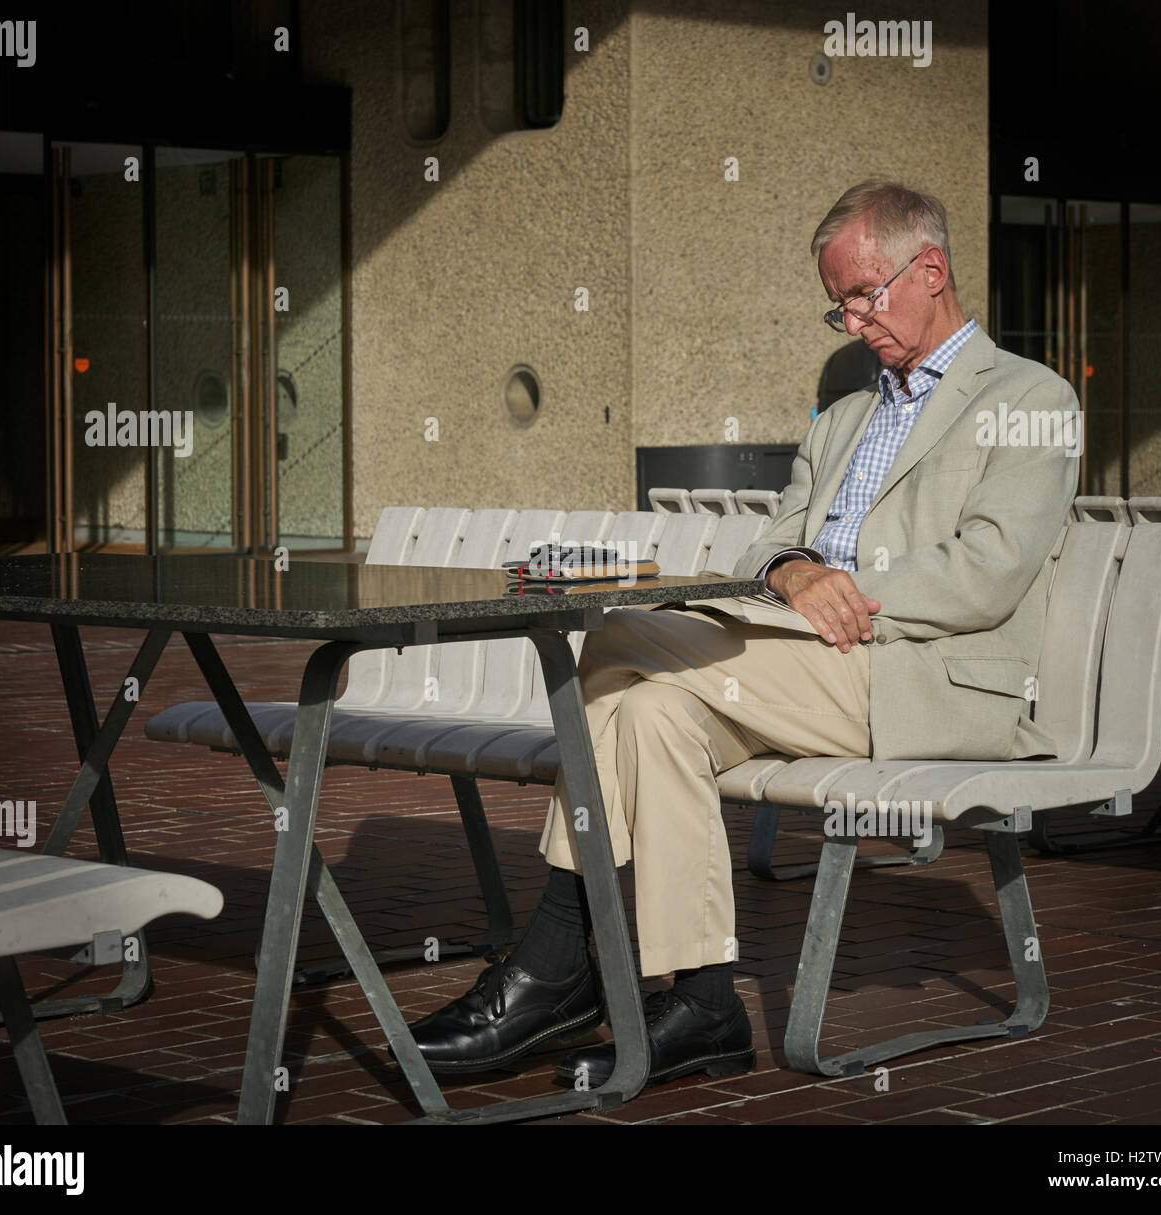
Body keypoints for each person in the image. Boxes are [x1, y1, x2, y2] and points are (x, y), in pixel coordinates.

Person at [406, 179, 1081, 1087]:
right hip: (812, 660)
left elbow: (990, 567)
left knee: (616, 641)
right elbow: (769, 543)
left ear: (931, 270)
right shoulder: (846, 417)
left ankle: (556, 958)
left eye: (863, 295)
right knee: (651, 716)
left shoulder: (1031, 397)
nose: (852, 323)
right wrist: (793, 572)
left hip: (923, 676)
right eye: (838, 306)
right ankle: (705, 1002)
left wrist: (845, 595)